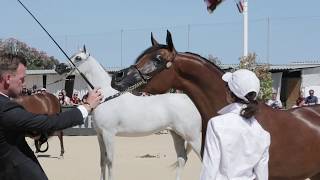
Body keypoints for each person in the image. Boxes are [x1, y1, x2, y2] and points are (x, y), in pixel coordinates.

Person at [0, 51, 103, 180]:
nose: (24, 83)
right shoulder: (5, 109)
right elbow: (49, 122)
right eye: (22, 79)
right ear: (8, 79)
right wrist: (87, 106)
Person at [200, 69, 270, 180]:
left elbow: (209, 170)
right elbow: (262, 177)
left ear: (231, 94)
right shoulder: (263, 134)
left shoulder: (216, 124)